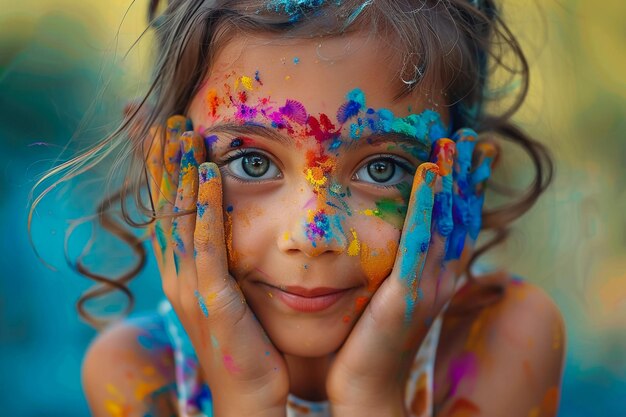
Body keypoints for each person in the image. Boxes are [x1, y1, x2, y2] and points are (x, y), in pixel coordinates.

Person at [30, 0, 565, 416]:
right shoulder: (141, 374)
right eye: (252, 163)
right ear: (164, 167)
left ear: (464, 186)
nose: (312, 235)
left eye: (383, 169)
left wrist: (367, 397)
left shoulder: (501, 340)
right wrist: (247, 398)